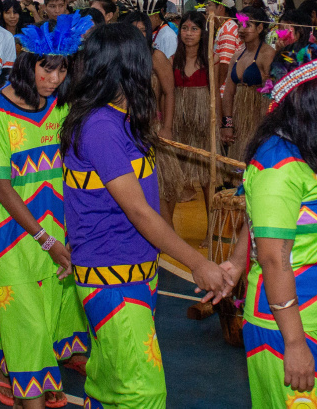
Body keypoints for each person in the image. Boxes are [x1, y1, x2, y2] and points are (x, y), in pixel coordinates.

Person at [60, 22, 230, 409]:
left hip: (131, 270)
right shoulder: (101, 126)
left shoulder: (119, 118)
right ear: (129, 65)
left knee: (109, 385)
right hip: (112, 275)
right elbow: (138, 211)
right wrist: (196, 263)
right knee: (143, 393)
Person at [0, 13, 93, 409]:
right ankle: (32, 393)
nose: (54, 78)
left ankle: (12, 367)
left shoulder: (61, 108)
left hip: (56, 231)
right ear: (28, 64)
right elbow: (1, 186)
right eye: (46, 68)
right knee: (24, 314)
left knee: (39, 309)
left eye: (62, 70)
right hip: (11, 235)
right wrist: (44, 239)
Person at [235, 42, 317, 409]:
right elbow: (272, 258)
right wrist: (295, 343)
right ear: (305, 99)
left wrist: (237, 260)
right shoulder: (278, 166)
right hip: (290, 326)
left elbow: (262, 219)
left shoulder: (309, 151)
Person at [124, 9, 181, 226]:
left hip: (153, 127)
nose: (138, 34)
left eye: (143, 30)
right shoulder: (120, 57)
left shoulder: (156, 56)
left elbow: (169, 92)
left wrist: (166, 127)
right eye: (133, 29)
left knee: (163, 183)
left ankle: (168, 231)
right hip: (126, 128)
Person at [220, 6, 276, 165]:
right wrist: (227, 124)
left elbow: (275, 94)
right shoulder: (237, 54)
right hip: (240, 120)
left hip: (261, 120)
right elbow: (229, 92)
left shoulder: (268, 54)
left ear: (259, 28)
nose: (241, 29)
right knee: (239, 167)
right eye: (239, 25)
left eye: (247, 25)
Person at [171, 11, 215, 215]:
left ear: (202, 33)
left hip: (203, 123)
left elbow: (218, 96)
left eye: (194, 29)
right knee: (173, 175)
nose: (189, 33)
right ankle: (168, 230)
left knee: (207, 177)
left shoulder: (210, 62)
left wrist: (225, 124)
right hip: (179, 125)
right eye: (185, 28)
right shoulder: (172, 61)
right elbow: (166, 94)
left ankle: (210, 231)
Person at [208, 0, 240, 87]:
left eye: (209, 5)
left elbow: (225, 65)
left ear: (220, 7)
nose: (206, 8)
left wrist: (216, 90)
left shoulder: (228, 31)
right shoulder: (225, 27)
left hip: (224, 89)